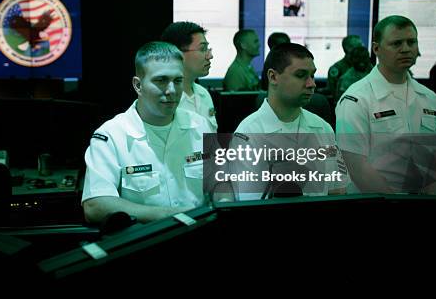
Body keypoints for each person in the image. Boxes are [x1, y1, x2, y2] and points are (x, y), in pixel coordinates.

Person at [81, 42, 212, 224]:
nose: (171, 90)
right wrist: (174, 215)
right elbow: (95, 205)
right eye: (161, 80)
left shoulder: (201, 126)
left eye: (178, 80)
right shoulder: (111, 135)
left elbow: (224, 186)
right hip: (143, 242)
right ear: (138, 85)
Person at [336, 15, 436, 194]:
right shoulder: (356, 99)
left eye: (411, 42)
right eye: (396, 44)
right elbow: (357, 166)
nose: (406, 49)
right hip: (376, 200)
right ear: (376, 49)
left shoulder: (428, 97)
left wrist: (432, 195)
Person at [229, 43, 348, 200]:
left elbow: (338, 189)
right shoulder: (248, 134)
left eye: (312, 75)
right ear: (273, 77)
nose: (311, 84)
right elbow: (251, 205)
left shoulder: (322, 127)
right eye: (300, 75)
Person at [161, 21, 218, 132]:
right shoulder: (165, 99)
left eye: (208, 49)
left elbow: (211, 142)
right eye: (202, 49)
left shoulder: (203, 94)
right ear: (178, 53)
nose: (210, 56)